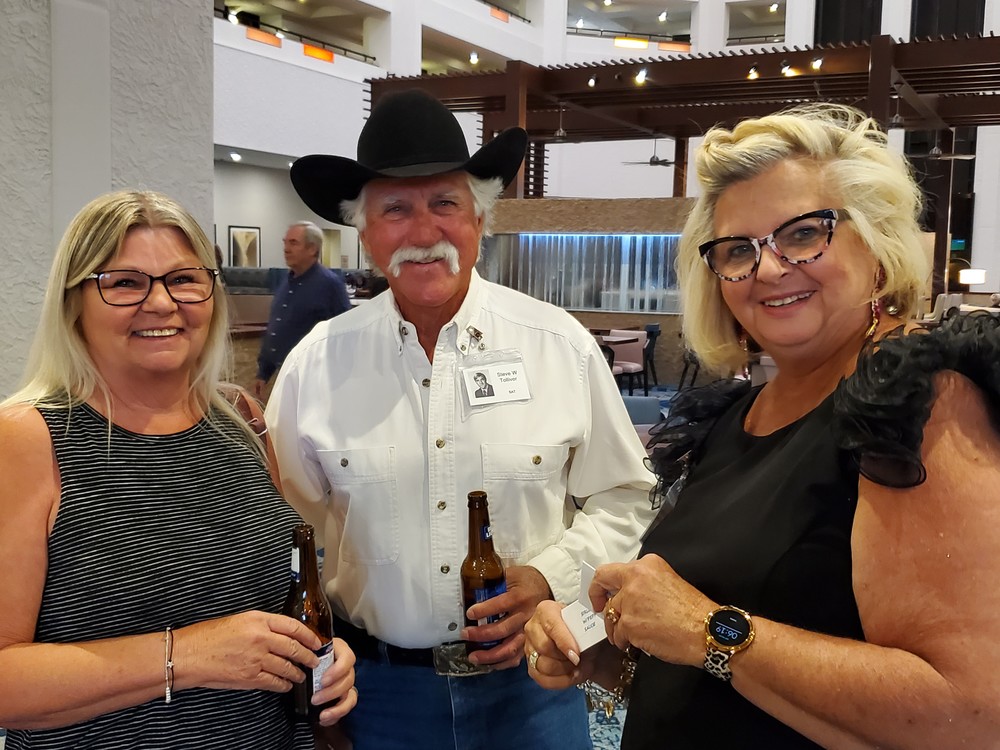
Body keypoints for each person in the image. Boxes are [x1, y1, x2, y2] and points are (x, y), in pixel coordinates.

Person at [524, 103, 1000, 748]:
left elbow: (970, 715)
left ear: (877, 242)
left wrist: (703, 627)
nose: (769, 269)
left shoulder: (918, 402)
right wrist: (611, 652)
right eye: (738, 250)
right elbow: (724, 677)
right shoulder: (736, 416)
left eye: (803, 234)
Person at [266, 88, 656, 749]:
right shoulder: (315, 366)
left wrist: (553, 576)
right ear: (364, 232)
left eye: (445, 203)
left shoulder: (558, 345)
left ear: (479, 218)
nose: (423, 233)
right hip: (377, 700)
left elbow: (628, 497)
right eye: (395, 209)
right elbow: (279, 532)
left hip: (535, 688)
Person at [0, 190, 357, 749]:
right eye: (125, 282)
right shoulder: (28, 438)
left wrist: (323, 654)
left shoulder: (242, 419)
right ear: (73, 303)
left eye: (184, 279)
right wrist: (184, 655)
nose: (162, 303)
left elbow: (275, 601)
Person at [254, 221, 352, 399]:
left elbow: (346, 337)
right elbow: (277, 328)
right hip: (285, 377)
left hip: (315, 382)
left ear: (312, 249)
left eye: (293, 243)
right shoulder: (286, 282)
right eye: (285, 242)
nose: (286, 249)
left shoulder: (330, 285)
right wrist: (264, 372)